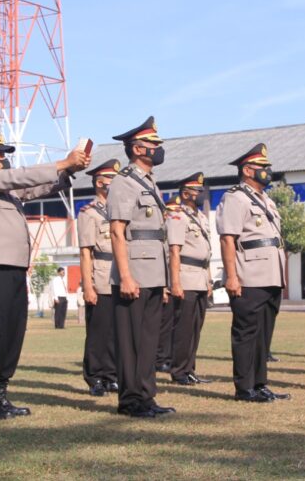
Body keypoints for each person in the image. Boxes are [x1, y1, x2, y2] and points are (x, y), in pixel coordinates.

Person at [0, 132, 88, 419]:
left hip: (15, 268)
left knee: (12, 332)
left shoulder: (7, 189)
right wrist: (62, 161)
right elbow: (18, 177)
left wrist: (69, 170)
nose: (5, 160)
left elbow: (38, 187)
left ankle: (0, 393)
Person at [107, 116, 175, 418]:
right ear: (136, 148)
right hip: (133, 272)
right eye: (152, 144)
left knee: (148, 341)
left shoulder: (148, 182)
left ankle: (146, 396)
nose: (157, 149)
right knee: (132, 341)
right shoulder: (124, 181)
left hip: (152, 272)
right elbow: (117, 231)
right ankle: (131, 400)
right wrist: (125, 276)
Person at [216, 143, 289, 403]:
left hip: (270, 275)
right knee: (246, 333)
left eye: (267, 168)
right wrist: (232, 276)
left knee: (262, 334)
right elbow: (228, 240)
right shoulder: (235, 197)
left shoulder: (266, 200)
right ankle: (244, 387)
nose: (267, 172)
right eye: (262, 168)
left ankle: (260, 384)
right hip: (249, 274)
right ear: (247, 170)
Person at [77, 159, 120, 396]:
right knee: (98, 332)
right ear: (99, 182)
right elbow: (85, 252)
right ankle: (94, 377)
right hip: (101, 275)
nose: (113, 184)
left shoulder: (120, 211)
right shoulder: (89, 213)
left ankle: (111, 375)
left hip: (119, 276)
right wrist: (88, 286)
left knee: (116, 331)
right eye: (110, 179)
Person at [167, 173, 212, 386]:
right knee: (184, 328)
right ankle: (179, 371)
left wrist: (210, 280)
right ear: (185, 194)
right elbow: (174, 251)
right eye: (197, 191)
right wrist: (175, 282)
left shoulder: (201, 217)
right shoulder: (178, 216)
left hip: (201, 276)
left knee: (196, 327)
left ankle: (190, 369)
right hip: (186, 275)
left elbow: (207, 252)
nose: (200, 195)